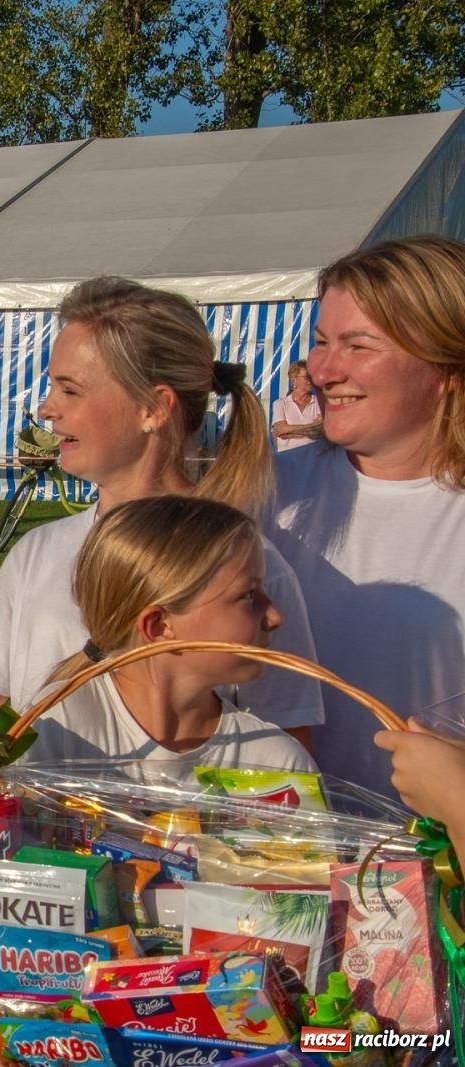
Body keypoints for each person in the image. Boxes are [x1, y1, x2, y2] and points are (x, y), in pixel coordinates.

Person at [0, 277, 323, 746]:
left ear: (153, 407)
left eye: (70, 390)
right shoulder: (38, 553)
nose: (47, 409)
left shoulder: (251, 573)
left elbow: (285, 755)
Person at [269, 235, 465, 801]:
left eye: (359, 346)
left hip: (434, 860)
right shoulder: (268, 494)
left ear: (445, 367)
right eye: (322, 342)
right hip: (278, 854)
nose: (323, 370)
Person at [23, 495, 315, 784]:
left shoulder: (276, 765)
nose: (275, 617)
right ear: (160, 625)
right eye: (248, 595)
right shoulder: (55, 727)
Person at [271, 360, 322, 451]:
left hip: (314, 460)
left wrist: (289, 430)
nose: (310, 380)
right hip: (289, 460)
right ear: (294, 380)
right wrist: (312, 427)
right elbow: (281, 432)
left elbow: (320, 431)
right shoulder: (280, 404)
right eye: (307, 377)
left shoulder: (320, 402)